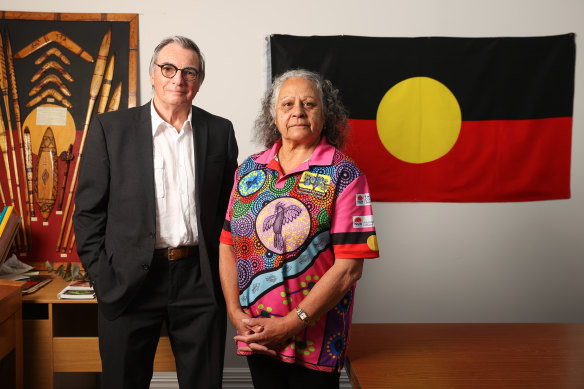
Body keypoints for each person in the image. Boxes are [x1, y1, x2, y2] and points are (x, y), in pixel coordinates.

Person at [73, 36, 238, 389]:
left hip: (199, 280)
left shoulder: (219, 131)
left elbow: (231, 213)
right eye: (168, 68)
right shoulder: (109, 129)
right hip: (129, 281)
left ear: (199, 81)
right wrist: (103, 279)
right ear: (152, 74)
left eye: (189, 72)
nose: (178, 79)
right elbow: (88, 213)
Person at [219, 69, 379, 388]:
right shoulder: (249, 170)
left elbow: (349, 268)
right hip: (257, 333)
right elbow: (227, 244)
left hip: (315, 341)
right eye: (287, 104)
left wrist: (292, 324)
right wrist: (235, 312)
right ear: (274, 114)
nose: (298, 112)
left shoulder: (345, 174)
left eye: (309, 104)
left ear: (325, 113)